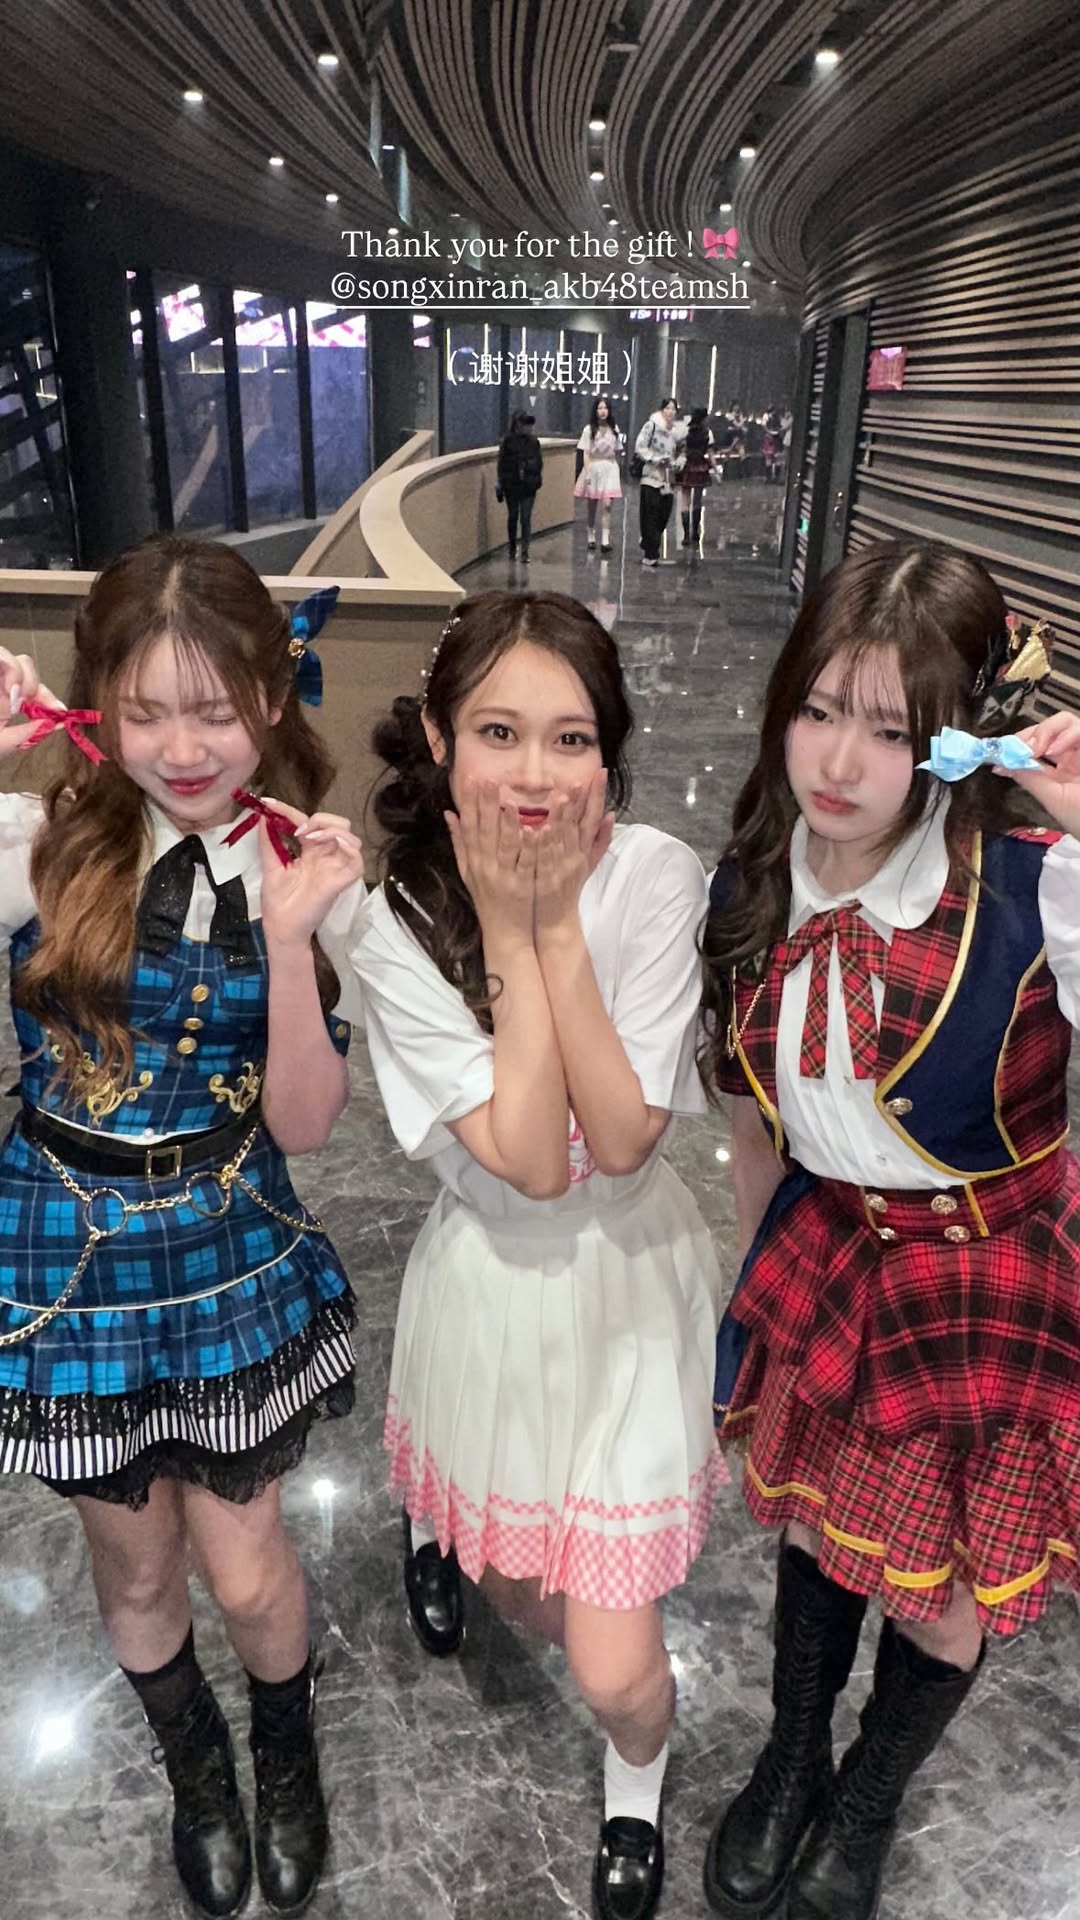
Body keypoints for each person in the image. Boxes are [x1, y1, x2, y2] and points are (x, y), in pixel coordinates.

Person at [699, 540, 1080, 1920]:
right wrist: (756, 1296)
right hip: (827, 1255)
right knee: (813, 1533)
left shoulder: (1033, 885)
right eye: (819, 710)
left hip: (982, 1284)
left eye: (892, 730)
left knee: (938, 1588)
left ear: (956, 738)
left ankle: (866, 1800)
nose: (840, 763)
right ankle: (793, 1758)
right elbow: (753, 1118)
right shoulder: (758, 875)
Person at [0, 537, 366, 1920]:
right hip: (63, 1253)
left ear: (272, 696)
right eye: (146, 710)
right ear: (95, 702)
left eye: (214, 708)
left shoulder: (300, 868)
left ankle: (283, 1747)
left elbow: (309, 1123)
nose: (183, 747)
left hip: (227, 1244)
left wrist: (292, 943)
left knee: (251, 1568)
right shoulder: (38, 844)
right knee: (134, 1560)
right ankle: (196, 1765)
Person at [353, 590, 723, 1920]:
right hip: (497, 1287)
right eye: (498, 732)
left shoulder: (656, 874)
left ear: (609, 757)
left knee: (617, 1668)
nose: (534, 774)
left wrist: (552, 922)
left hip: (625, 1287)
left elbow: (614, 1145)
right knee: (517, 1594)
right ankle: (439, 1520)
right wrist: (505, 927)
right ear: (440, 740)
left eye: (572, 740)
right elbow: (526, 1157)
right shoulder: (390, 917)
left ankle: (636, 1786)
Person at [634, 397, 681, 567]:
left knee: (664, 515)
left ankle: (648, 540)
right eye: (667, 408)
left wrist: (677, 463)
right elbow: (640, 447)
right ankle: (651, 554)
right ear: (662, 410)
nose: (670, 412)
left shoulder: (676, 432)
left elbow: (680, 452)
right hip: (651, 477)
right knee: (650, 515)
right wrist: (655, 459)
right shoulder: (651, 425)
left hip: (667, 480)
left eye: (673, 409)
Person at [574, 397, 624, 552]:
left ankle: (605, 540)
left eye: (605, 408)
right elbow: (586, 453)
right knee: (592, 505)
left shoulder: (614, 429)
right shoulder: (589, 430)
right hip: (594, 467)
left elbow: (618, 450)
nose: (603, 411)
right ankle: (591, 535)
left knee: (607, 504)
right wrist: (587, 472)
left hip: (610, 467)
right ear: (595, 411)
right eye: (600, 408)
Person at [496, 410, 544, 564]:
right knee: (513, 516)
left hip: (529, 485)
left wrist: (528, 467)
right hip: (512, 485)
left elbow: (539, 464)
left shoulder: (534, 442)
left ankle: (525, 551)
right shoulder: (508, 441)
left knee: (525, 518)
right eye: (525, 423)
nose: (528, 427)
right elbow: (502, 464)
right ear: (517, 424)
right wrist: (502, 481)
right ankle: (512, 547)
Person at [677, 406, 715, 550]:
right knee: (697, 501)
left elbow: (681, 448)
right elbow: (710, 452)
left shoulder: (685, 430)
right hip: (700, 466)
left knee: (685, 500)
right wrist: (716, 469)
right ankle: (695, 532)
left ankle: (686, 535)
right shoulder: (707, 433)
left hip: (687, 466)